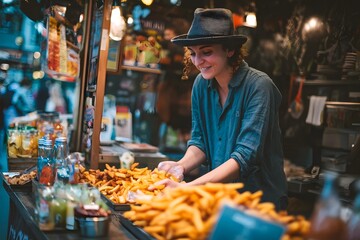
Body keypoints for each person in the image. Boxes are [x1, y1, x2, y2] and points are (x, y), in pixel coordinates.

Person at [153, 8, 288, 210]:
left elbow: (244, 157)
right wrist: (180, 166)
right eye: (193, 54)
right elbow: (200, 142)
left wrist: (187, 188)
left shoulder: (259, 87)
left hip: (259, 205)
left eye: (206, 52)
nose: (198, 62)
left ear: (229, 49)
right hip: (218, 201)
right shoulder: (200, 84)